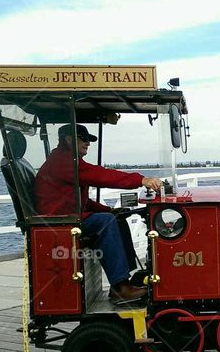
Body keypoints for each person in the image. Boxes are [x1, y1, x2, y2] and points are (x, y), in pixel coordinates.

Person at [35, 123, 162, 303]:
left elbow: (81, 201)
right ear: (69, 139)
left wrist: (109, 210)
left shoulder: (68, 161)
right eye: (84, 139)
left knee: (115, 218)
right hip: (60, 222)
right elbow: (101, 175)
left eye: (89, 140)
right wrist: (140, 180)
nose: (88, 143)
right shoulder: (63, 163)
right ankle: (120, 287)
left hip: (66, 217)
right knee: (106, 222)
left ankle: (123, 281)